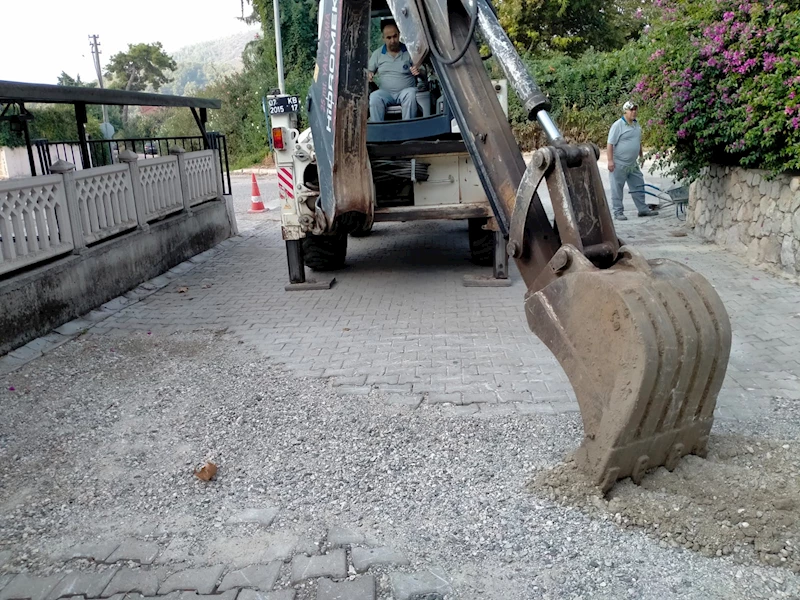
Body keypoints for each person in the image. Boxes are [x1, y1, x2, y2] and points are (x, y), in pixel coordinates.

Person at [607, 100, 658, 220]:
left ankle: (643, 209)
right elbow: (610, 144)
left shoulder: (636, 124)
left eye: (635, 109)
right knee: (617, 188)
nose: (634, 112)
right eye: (631, 110)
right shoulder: (618, 125)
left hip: (632, 163)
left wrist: (641, 156)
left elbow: (637, 141)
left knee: (638, 185)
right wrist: (610, 161)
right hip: (619, 163)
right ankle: (618, 212)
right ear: (625, 111)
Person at [368, 20, 423, 121]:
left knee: (411, 93)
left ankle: (408, 129)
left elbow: (423, 72)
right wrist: (369, 74)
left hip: (405, 92)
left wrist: (418, 71)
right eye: (389, 38)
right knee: (374, 96)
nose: (392, 40)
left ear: (399, 35)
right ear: (383, 38)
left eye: (395, 36)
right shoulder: (377, 54)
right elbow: (369, 71)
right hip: (386, 93)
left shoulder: (409, 51)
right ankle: (379, 131)